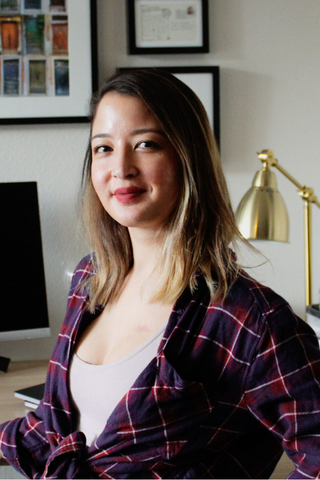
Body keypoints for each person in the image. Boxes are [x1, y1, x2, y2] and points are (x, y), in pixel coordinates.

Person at [1, 69, 320, 479]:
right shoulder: (90, 279)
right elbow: (56, 424)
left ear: (188, 157)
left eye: (145, 144)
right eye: (103, 148)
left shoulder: (249, 318)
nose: (121, 167)